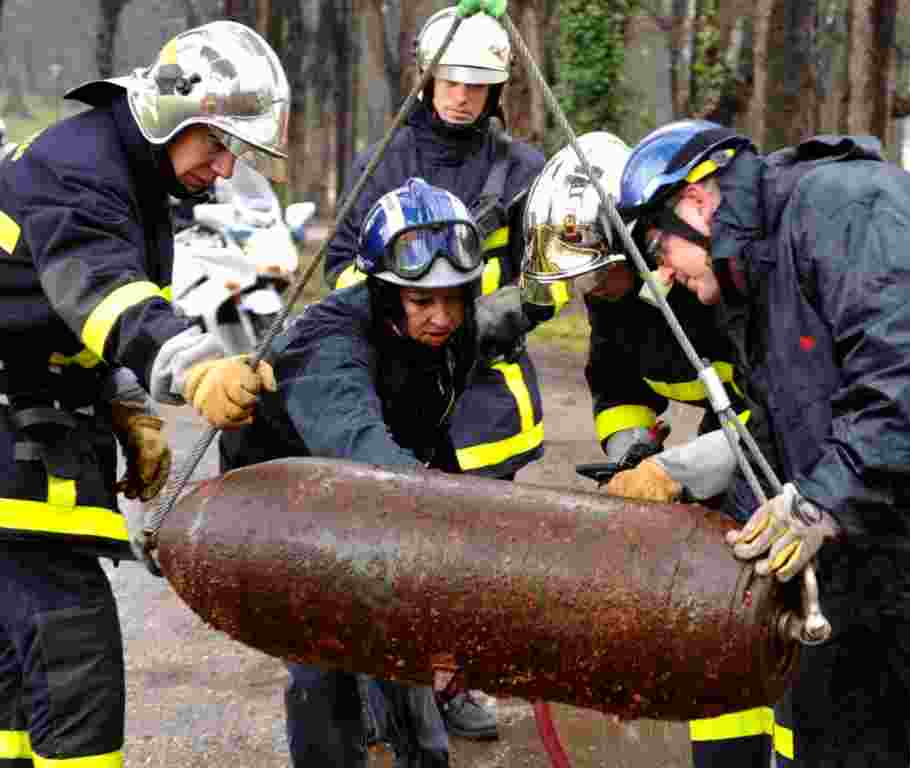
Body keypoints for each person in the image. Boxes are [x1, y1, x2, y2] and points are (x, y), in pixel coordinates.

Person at [617, 118, 910, 765]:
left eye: (657, 244)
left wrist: (816, 503)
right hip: (880, 549)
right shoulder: (757, 275)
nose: (662, 269)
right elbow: (792, 433)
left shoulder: (841, 210)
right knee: (827, 737)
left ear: (696, 200)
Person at [0, 20, 285, 766]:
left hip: (24, 428)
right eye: (218, 144)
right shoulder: (80, 168)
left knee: (17, 679)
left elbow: (50, 310)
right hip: (13, 455)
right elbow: (101, 292)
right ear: (171, 113)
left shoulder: (119, 169)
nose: (225, 169)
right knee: (75, 672)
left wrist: (123, 397)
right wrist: (194, 369)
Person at [523, 131, 791, 767]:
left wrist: (676, 472)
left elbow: (775, 422)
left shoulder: (719, 280)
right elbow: (614, 384)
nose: (592, 291)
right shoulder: (613, 302)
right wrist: (630, 449)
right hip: (726, 429)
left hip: (776, 438)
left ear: (641, 242)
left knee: (765, 592)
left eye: (599, 273)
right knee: (715, 616)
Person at [323, 2, 547, 742]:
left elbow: (548, 278)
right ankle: (385, 694)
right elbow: (338, 268)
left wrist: (494, 316)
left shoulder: (521, 171)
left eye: (476, 85)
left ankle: (454, 684)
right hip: (395, 384)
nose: (460, 96)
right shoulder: (383, 160)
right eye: (450, 80)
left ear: (497, 89)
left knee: (471, 552)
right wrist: (391, 326)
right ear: (427, 79)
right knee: (388, 545)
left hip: (484, 392)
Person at [219, 178, 489, 768]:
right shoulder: (328, 345)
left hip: (371, 480)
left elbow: (428, 430)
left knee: (404, 640)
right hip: (284, 499)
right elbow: (360, 445)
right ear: (386, 295)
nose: (442, 316)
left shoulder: (453, 329)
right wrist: (448, 522)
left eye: (454, 297)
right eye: (423, 302)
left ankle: (420, 753)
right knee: (324, 654)